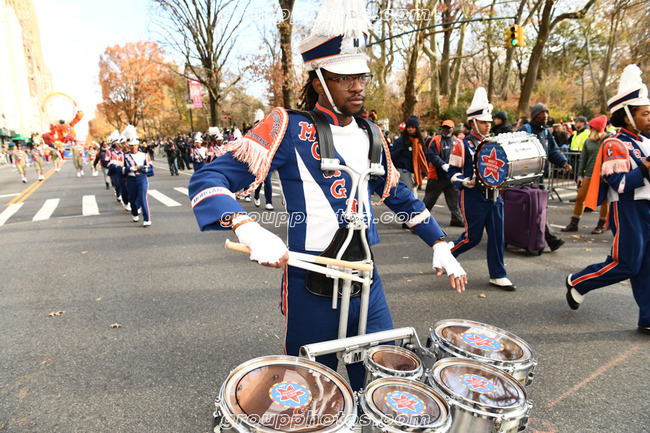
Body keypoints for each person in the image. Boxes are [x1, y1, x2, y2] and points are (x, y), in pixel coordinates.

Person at [188, 0, 467, 391]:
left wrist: (438, 242)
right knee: (308, 385)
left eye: (362, 77)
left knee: (380, 377)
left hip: (368, 280)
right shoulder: (286, 127)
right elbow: (208, 179)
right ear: (318, 80)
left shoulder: (372, 133)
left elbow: (398, 195)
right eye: (343, 78)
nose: (357, 86)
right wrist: (249, 228)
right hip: (310, 281)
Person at [567, 64, 650, 336]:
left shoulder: (646, 141)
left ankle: (647, 317)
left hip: (647, 207)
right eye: (645, 113)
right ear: (627, 117)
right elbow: (622, 184)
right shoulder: (614, 144)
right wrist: (647, 167)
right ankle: (579, 281)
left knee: (647, 265)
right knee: (627, 263)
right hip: (627, 208)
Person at [448, 88, 515, 291]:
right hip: (473, 196)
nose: (488, 125)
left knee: (497, 236)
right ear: (473, 122)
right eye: (484, 122)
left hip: (495, 196)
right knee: (472, 237)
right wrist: (463, 180)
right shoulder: (462, 144)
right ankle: (447, 254)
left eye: (489, 122)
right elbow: (451, 171)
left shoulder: (493, 142)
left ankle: (498, 274)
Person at [518, 103, 572, 252]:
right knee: (537, 209)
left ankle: (529, 237)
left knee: (537, 209)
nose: (545, 116)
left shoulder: (547, 132)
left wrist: (564, 163)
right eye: (542, 114)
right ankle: (551, 239)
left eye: (547, 113)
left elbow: (553, 150)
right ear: (535, 115)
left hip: (540, 177)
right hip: (527, 177)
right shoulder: (525, 131)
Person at [561, 115, 610, 234]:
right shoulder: (588, 141)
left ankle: (601, 224)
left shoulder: (609, 140)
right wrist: (579, 175)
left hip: (603, 175)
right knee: (580, 198)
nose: (590, 130)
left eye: (592, 128)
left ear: (597, 129)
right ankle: (574, 223)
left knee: (605, 200)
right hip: (588, 173)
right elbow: (583, 159)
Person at [423, 119, 464, 227]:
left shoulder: (456, 141)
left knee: (455, 201)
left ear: (452, 129)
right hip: (436, 177)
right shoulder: (436, 140)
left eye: (448, 128)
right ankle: (418, 220)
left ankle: (457, 219)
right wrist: (442, 165)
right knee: (428, 201)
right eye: (444, 127)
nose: (445, 130)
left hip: (451, 177)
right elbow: (432, 156)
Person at [121, 125, 153, 227]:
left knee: (143, 199)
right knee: (133, 199)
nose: (134, 147)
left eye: (135, 145)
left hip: (142, 178)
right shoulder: (125, 156)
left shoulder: (144, 155)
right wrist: (130, 169)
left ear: (138, 145)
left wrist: (141, 168)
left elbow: (151, 168)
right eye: (132, 145)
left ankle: (147, 218)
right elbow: (120, 169)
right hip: (131, 179)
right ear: (129, 146)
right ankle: (134, 213)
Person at [390, 115, 428, 198]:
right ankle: (415, 211)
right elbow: (392, 156)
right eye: (408, 127)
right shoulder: (401, 140)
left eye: (413, 127)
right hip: (403, 170)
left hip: (416, 171)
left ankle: (404, 210)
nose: (410, 129)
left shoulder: (420, 140)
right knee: (412, 194)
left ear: (416, 128)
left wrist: (424, 169)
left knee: (406, 195)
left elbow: (424, 155)